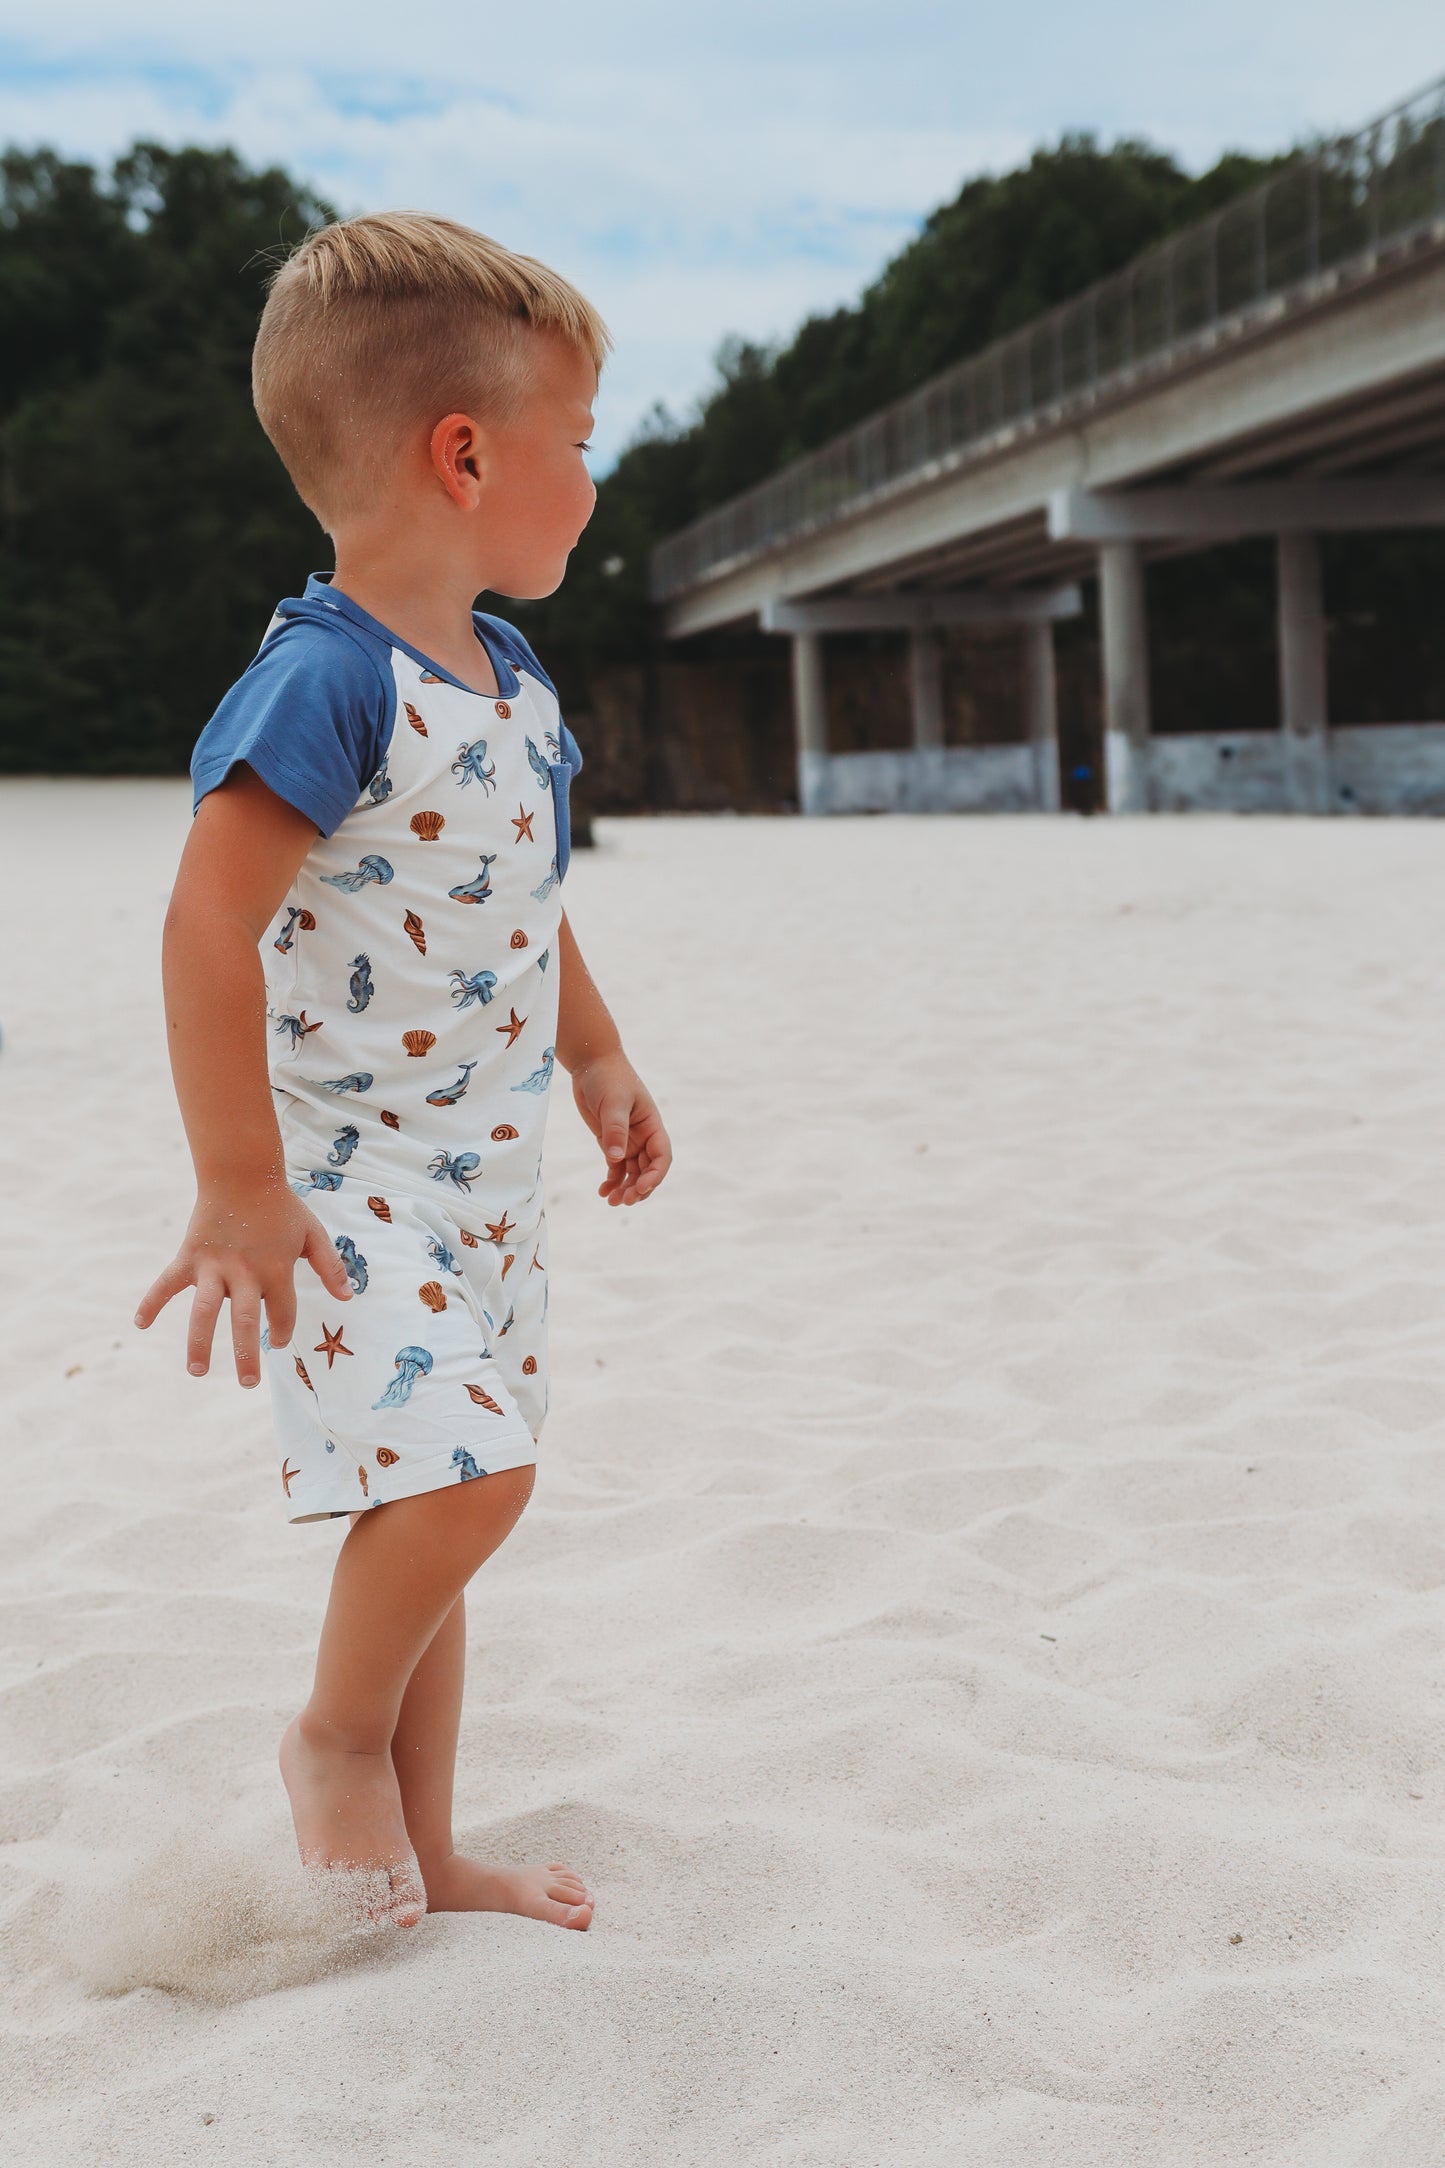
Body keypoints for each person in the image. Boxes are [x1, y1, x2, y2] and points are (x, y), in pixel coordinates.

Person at [135, 213, 671, 1932]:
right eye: (575, 444)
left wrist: (595, 1056)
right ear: (466, 455)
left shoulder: (508, 680)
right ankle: (332, 1738)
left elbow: (528, 895)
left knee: (443, 1505)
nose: (590, 480)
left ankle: (433, 1855)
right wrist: (236, 1183)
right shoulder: (328, 679)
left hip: (490, 1184)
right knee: (467, 1479)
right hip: (349, 1181)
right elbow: (206, 924)